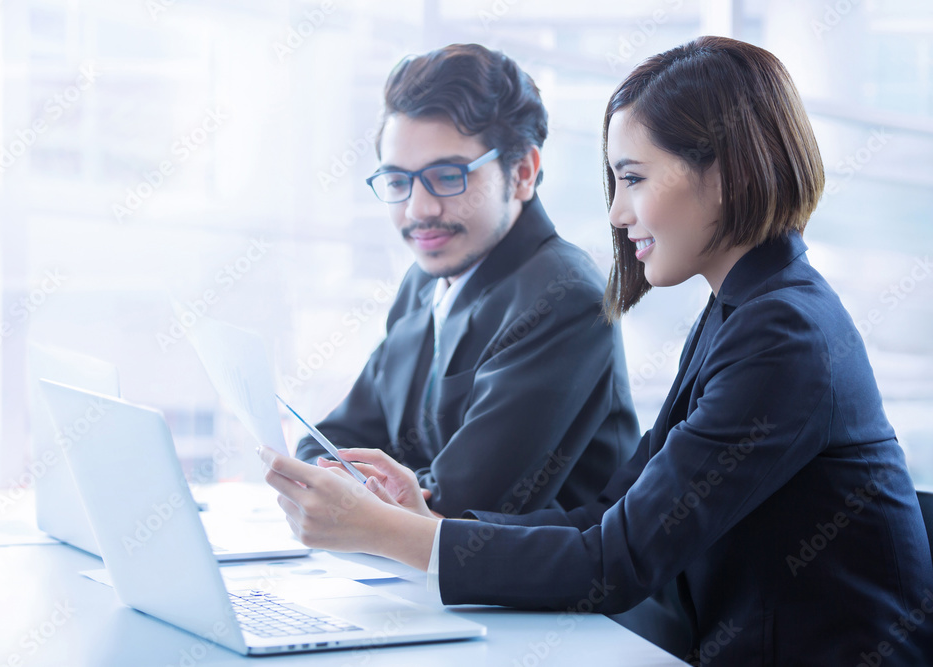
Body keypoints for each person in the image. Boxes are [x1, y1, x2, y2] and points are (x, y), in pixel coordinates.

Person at [264, 36, 933, 664]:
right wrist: (423, 518)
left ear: (725, 175)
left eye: (634, 178)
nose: (616, 212)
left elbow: (616, 562)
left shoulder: (783, 333)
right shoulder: (744, 310)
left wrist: (392, 532)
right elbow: (611, 512)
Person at [295, 43, 639, 518]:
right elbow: (330, 442)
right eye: (397, 181)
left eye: (447, 176)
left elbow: (460, 505)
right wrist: (334, 477)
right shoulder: (423, 282)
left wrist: (353, 488)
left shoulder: (565, 296)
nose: (419, 210)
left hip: (524, 568)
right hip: (411, 562)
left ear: (522, 173)